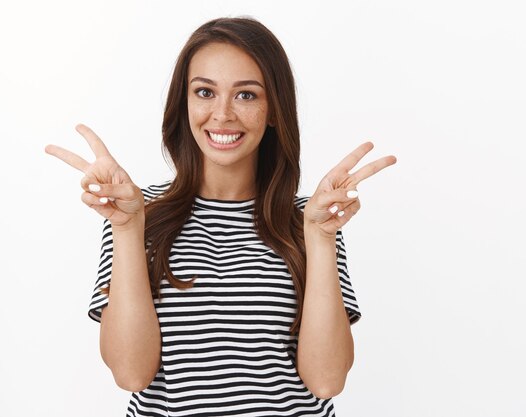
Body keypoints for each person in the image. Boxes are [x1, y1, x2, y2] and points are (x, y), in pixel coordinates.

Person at [45, 17, 396, 417]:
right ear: (184, 102)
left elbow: (327, 380)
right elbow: (130, 374)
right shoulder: (137, 213)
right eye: (205, 92)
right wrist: (127, 229)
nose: (222, 114)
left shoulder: (309, 220)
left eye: (246, 95)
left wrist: (319, 237)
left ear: (273, 110)